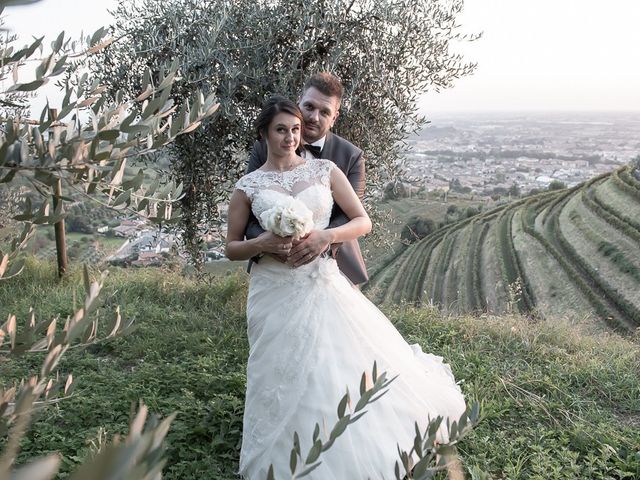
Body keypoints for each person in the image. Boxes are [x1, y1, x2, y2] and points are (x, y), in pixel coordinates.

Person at [226, 96, 466, 479]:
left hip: (319, 281)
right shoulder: (249, 186)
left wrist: (325, 236)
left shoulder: (326, 170)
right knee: (275, 368)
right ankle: (279, 450)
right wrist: (261, 244)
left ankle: (338, 443)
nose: (290, 137)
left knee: (330, 363)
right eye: (280, 130)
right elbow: (232, 247)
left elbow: (362, 221)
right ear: (263, 134)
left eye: (295, 129)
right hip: (273, 287)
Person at [245, 72, 368, 285]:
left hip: (334, 265)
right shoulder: (263, 147)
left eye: (324, 112)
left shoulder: (351, 156)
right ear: (298, 102)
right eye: (309, 107)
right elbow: (248, 205)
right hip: (274, 266)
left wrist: (323, 239)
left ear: (334, 117)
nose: (314, 117)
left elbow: (350, 215)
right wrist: (267, 243)